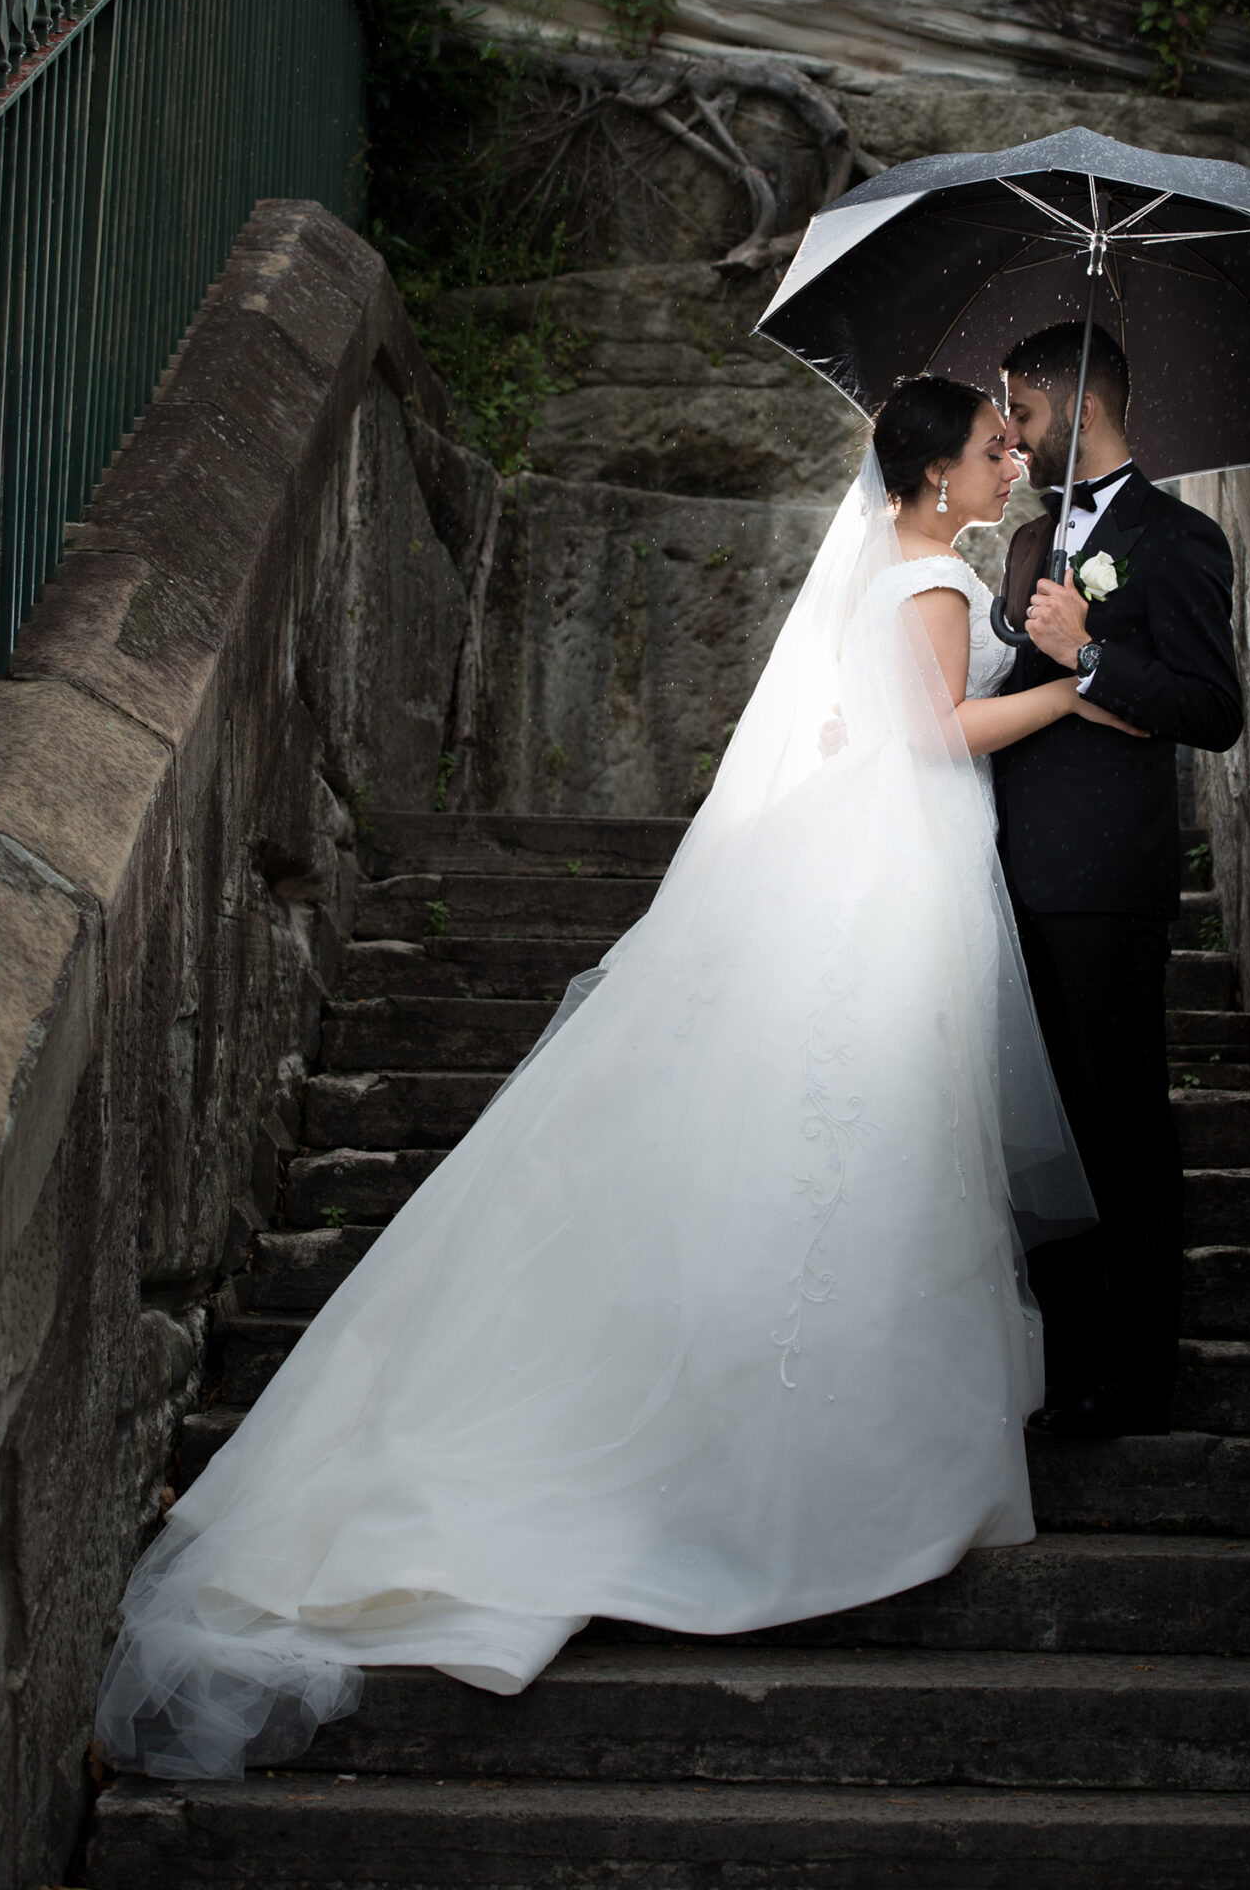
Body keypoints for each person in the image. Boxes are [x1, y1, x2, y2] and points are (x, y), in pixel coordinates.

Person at [94, 378, 1138, 1782]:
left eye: (1016, 446)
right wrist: (1075, 687)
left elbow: (864, 716)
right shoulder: (940, 572)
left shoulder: (890, 566)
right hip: (899, 868)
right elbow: (936, 732)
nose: (1013, 466)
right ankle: (811, 1484)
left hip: (865, 855)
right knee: (870, 1130)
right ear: (936, 475)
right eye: (993, 451)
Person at [992, 323, 1244, 1441]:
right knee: (1041, 1129)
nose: (1014, 434)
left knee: (1118, 1122)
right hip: (1013, 873)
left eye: (1024, 413)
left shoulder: (1178, 539)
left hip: (1107, 882)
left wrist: (1092, 649)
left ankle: (1133, 1380)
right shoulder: (1034, 537)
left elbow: (1213, 709)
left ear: (1079, 404)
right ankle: (1061, 1359)